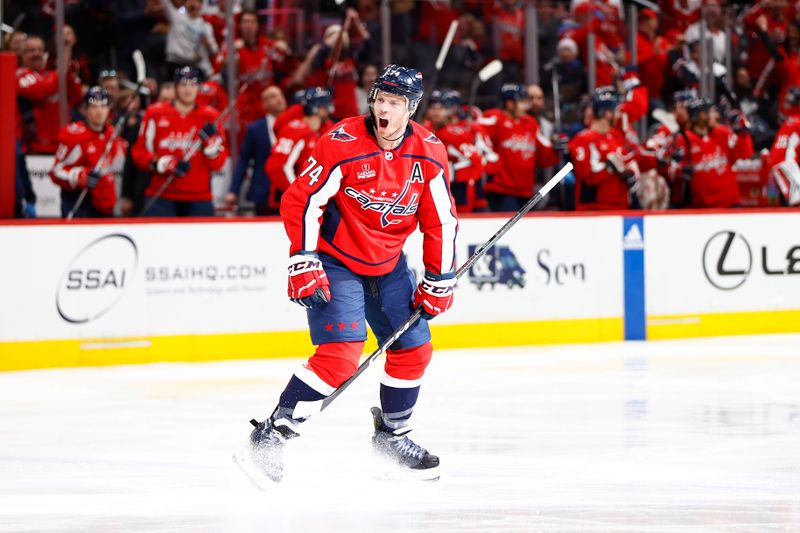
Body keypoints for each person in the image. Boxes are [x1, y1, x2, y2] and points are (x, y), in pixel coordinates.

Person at [241, 64, 458, 484]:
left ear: (410, 109)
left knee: (414, 348)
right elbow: (302, 201)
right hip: (336, 260)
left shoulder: (429, 151)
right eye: (379, 99)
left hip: (389, 265)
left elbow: (441, 222)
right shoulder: (342, 142)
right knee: (340, 356)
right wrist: (303, 258)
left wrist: (440, 276)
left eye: (395, 103)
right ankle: (270, 437)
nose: (384, 109)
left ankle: (392, 438)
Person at [132, 66, 227, 217]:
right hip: (162, 195)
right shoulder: (155, 113)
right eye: (183, 84)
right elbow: (139, 152)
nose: (188, 89)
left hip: (199, 196)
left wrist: (211, 151)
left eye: (193, 84)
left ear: (199, 88)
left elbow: (218, 164)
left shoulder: (211, 117)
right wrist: (160, 163)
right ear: (176, 87)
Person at [480, 83, 559, 211]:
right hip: (501, 191)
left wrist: (556, 149)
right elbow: (476, 133)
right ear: (510, 104)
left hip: (526, 191)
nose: (527, 105)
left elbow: (545, 154)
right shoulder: (495, 118)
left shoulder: (531, 123)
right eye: (522, 101)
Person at [49, 87, 123, 218]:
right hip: (79, 202)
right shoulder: (73, 135)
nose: (99, 111)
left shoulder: (112, 134)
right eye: (94, 107)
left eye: (103, 106)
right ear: (85, 109)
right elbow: (56, 171)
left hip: (104, 203)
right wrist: (79, 176)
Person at [568, 86, 638, 211]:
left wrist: (629, 174)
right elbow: (587, 176)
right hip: (594, 210)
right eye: (616, 110)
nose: (618, 115)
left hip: (620, 208)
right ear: (607, 113)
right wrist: (608, 167)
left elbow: (630, 161)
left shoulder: (616, 136)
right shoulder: (582, 139)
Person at [264, 87, 332, 211]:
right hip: (291, 205)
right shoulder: (295, 130)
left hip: (313, 204)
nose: (328, 111)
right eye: (325, 107)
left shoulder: (321, 132)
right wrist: (299, 196)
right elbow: (277, 166)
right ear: (317, 108)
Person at [226, 85, 287, 215]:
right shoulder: (255, 129)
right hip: (262, 191)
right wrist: (233, 190)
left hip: (288, 189)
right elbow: (243, 161)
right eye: (273, 96)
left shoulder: (297, 125)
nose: (279, 99)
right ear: (264, 104)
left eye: (280, 95)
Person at [16, 35, 83, 154]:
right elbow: (42, 90)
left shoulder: (52, 75)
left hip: (62, 145)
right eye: (32, 50)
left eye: (40, 50)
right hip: (34, 148)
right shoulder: (20, 75)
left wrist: (67, 69)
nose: (37, 53)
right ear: (22, 54)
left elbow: (77, 96)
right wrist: (64, 62)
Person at [769, 87, 800, 205]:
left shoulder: (793, 119)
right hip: (783, 162)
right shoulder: (796, 121)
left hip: (784, 162)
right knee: (796, 200)